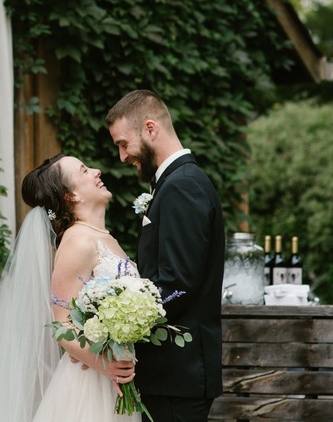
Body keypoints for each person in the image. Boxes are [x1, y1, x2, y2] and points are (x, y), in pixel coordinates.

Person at [0, 153, 140, 422]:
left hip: (112, 380)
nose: (96, 171)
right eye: (84, 170)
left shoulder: (103, 238)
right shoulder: (78, 242)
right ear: (71, 196)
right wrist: (106, 364)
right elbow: (62, 326)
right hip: (89, 386)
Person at [106, 90, 225, 422]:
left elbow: (178, 285)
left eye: (123, 143)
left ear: (150, 129)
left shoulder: (182, 187)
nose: (121, 156)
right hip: (172, 376)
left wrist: (120, 322)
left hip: (178, 375)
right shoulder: (175, 183)